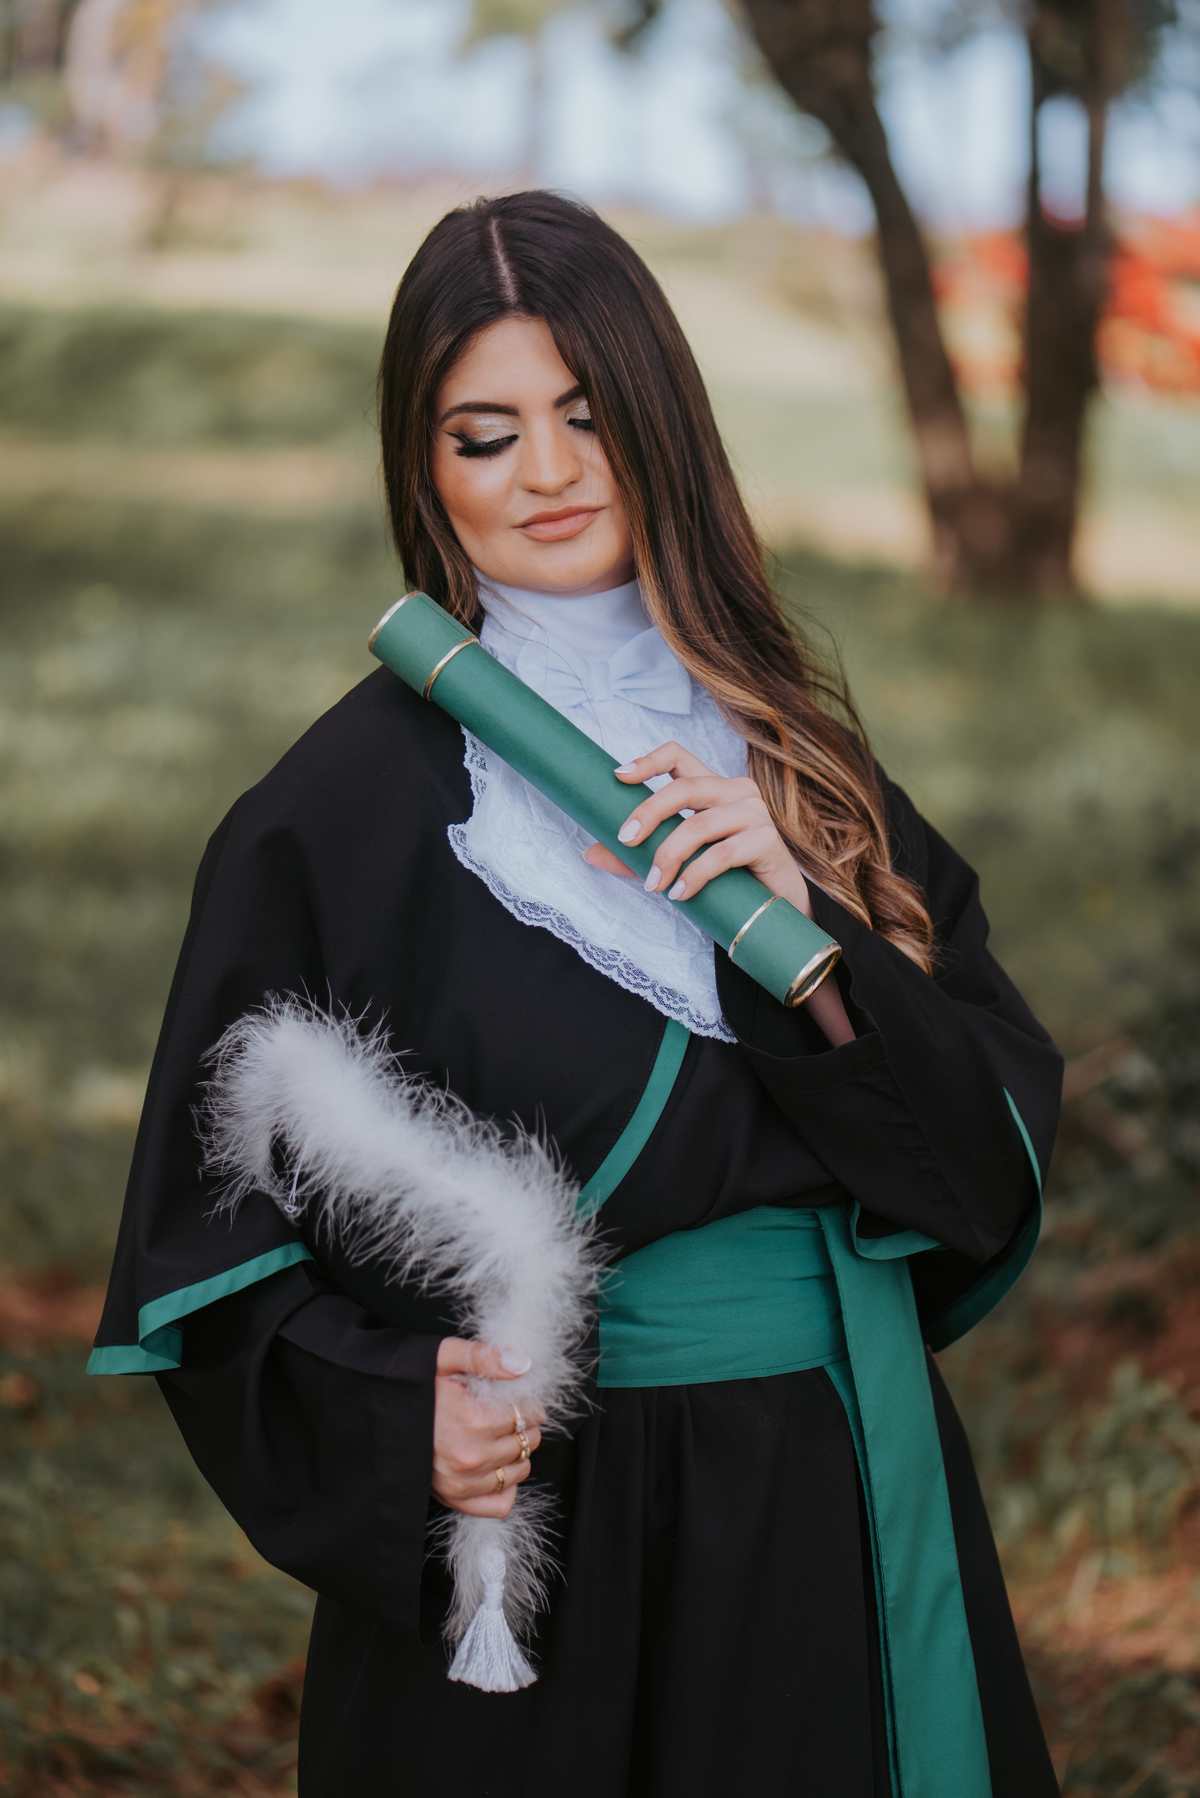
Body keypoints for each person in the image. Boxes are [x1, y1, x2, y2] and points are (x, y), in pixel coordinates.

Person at [89, 191, 1062, 1797]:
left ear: (663, 424)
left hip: (821, 1485)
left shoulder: (802, 759)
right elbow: (208, 1254)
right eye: (484, 435)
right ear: (423, 469)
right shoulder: (328, 813)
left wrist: (811, 929)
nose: (546, 470)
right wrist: (398, 1409)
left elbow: (984, 1158)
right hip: (544, 1518)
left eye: (589, 415)